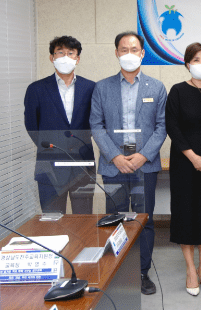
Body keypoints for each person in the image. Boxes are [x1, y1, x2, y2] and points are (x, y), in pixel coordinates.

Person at [90, 32, 167, 295]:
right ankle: (117, 272)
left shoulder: (156, 87)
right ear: (116, 53)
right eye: (124, 49)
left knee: (144, 220)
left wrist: (143, 155)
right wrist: (115, 156)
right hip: (114, 165)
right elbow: (96, 125)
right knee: (115, 220)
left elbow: (161, 127)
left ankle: (142, 272)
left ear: (143, 53)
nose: (129, 54)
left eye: (134, 49)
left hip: (145, 165)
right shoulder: (102, 87)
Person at [166, 42, 201, 296]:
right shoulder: (177, 91)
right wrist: (193, 157)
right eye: (196, 60)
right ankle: (190, 269)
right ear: (187, 64)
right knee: (185, 213)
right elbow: (172, 127)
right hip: (184, 162)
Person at [24, 35, 96, 214]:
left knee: (82, 221)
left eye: (70, 53)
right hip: (50, 166)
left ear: (77, 58)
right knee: (52, 222)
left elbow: (96, 122)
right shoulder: (36, 89)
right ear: (52, 57)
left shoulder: (91, 88)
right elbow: (32, 126)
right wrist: (53, 146)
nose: (65, 57)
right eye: (60, 53)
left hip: (82, 165)